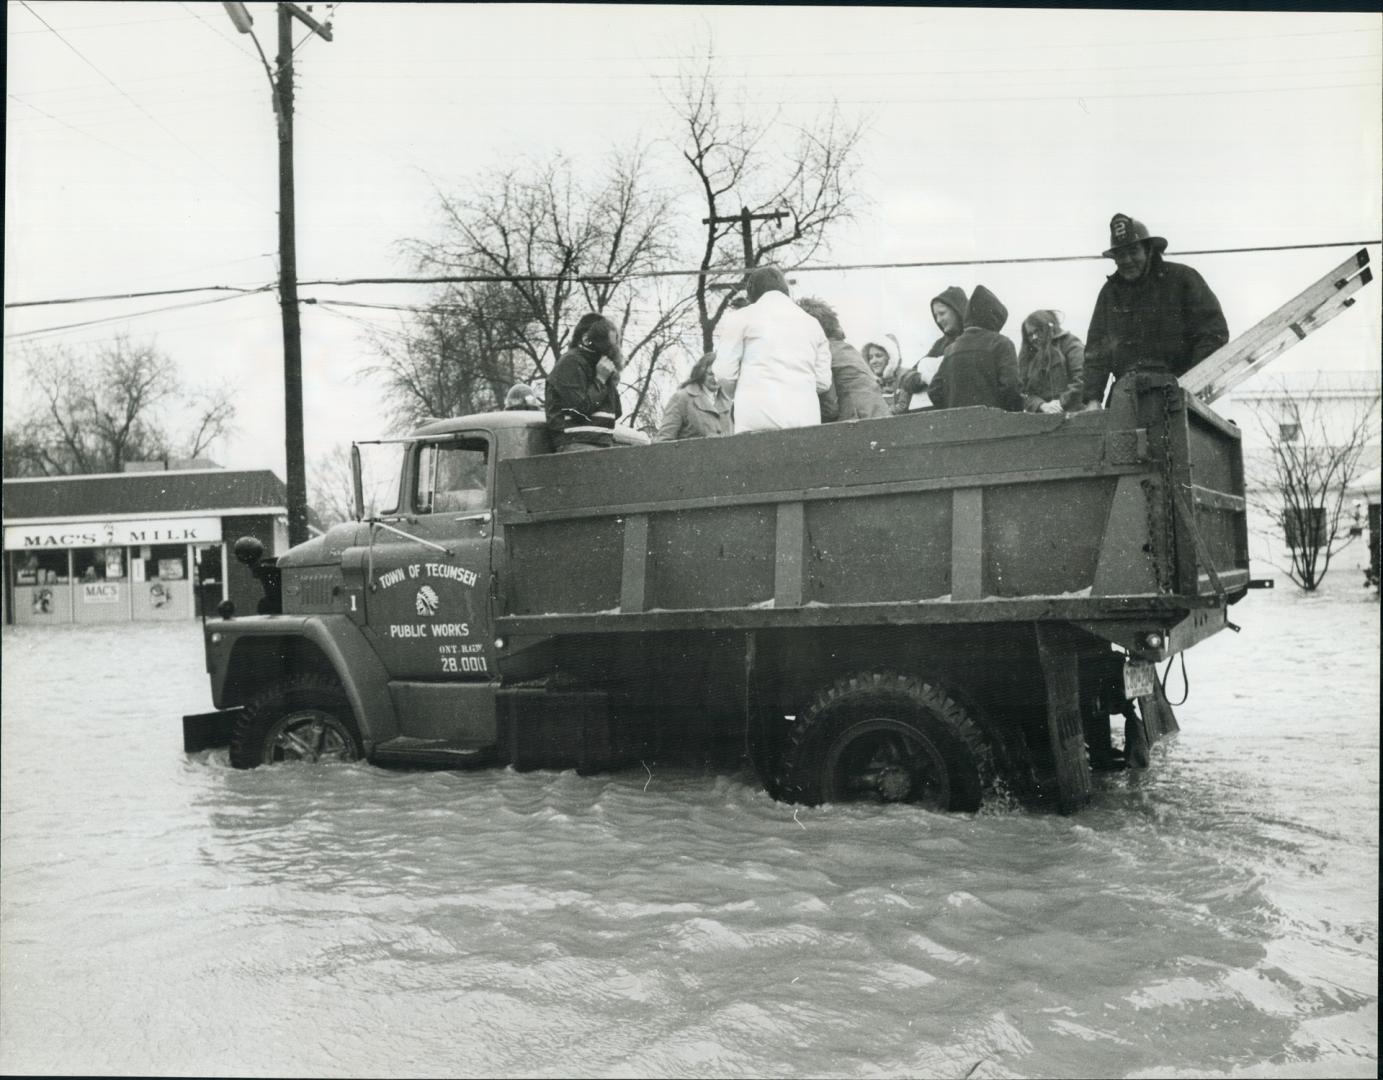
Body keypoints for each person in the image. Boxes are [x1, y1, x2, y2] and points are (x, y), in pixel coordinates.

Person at [1081, 213, 1229, 409]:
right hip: (1124, 398)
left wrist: (1195, 379)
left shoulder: (1182, 279)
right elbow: (1096, 352)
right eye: (1120, 254)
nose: (1127, 260)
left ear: (1149, 250)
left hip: (1178, 393)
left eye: (1133, 251)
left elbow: (1213, 333)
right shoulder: (1110, 294)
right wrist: (1093, 399)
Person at [713, 265, 832, 433]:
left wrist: (742, 391)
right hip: (806, 420)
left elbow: (724, 372)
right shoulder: (813, 324)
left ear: (751, 293)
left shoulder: (740, 318)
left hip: (756, 419)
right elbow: (823, 382)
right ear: (786, 291)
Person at [928, 284, 1023, 412]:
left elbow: (934, 391)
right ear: (994, 319)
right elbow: (1011, 387)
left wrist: (952, 409)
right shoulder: (1001, 343)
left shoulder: (950, 349)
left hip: (957, 426)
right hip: (995, 425)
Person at [797, 297, 891, 422]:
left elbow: (830, 409)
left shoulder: (824, 353)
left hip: (859, 424)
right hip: (882, 417)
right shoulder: (847, 349)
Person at [545, 314, 623, 451]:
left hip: (601, 443)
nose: (611, 352)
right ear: (586, 339)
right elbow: (578, 411)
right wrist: (600, 380)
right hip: (577, 443)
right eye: (607, 346)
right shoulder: (570, 362)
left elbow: (617, 411)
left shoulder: (598, 365)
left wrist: (610, 380)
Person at [1018, 310, 1085, 414]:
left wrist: (1061, 403)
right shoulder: (1027, 357)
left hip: (1073, 414)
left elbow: (1082, 379)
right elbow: (1021, 392)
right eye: (1030, 334)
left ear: (1049, 328)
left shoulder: (1070, 343)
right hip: (1040, 417)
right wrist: (1041, 405)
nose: (1034, 338)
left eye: (1038, 331)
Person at [654, 352, 733, 441]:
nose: (715, 379)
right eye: (711, 374)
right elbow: (663, 441)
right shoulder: (681, 399)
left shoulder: (729, 404)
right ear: (701, 373)